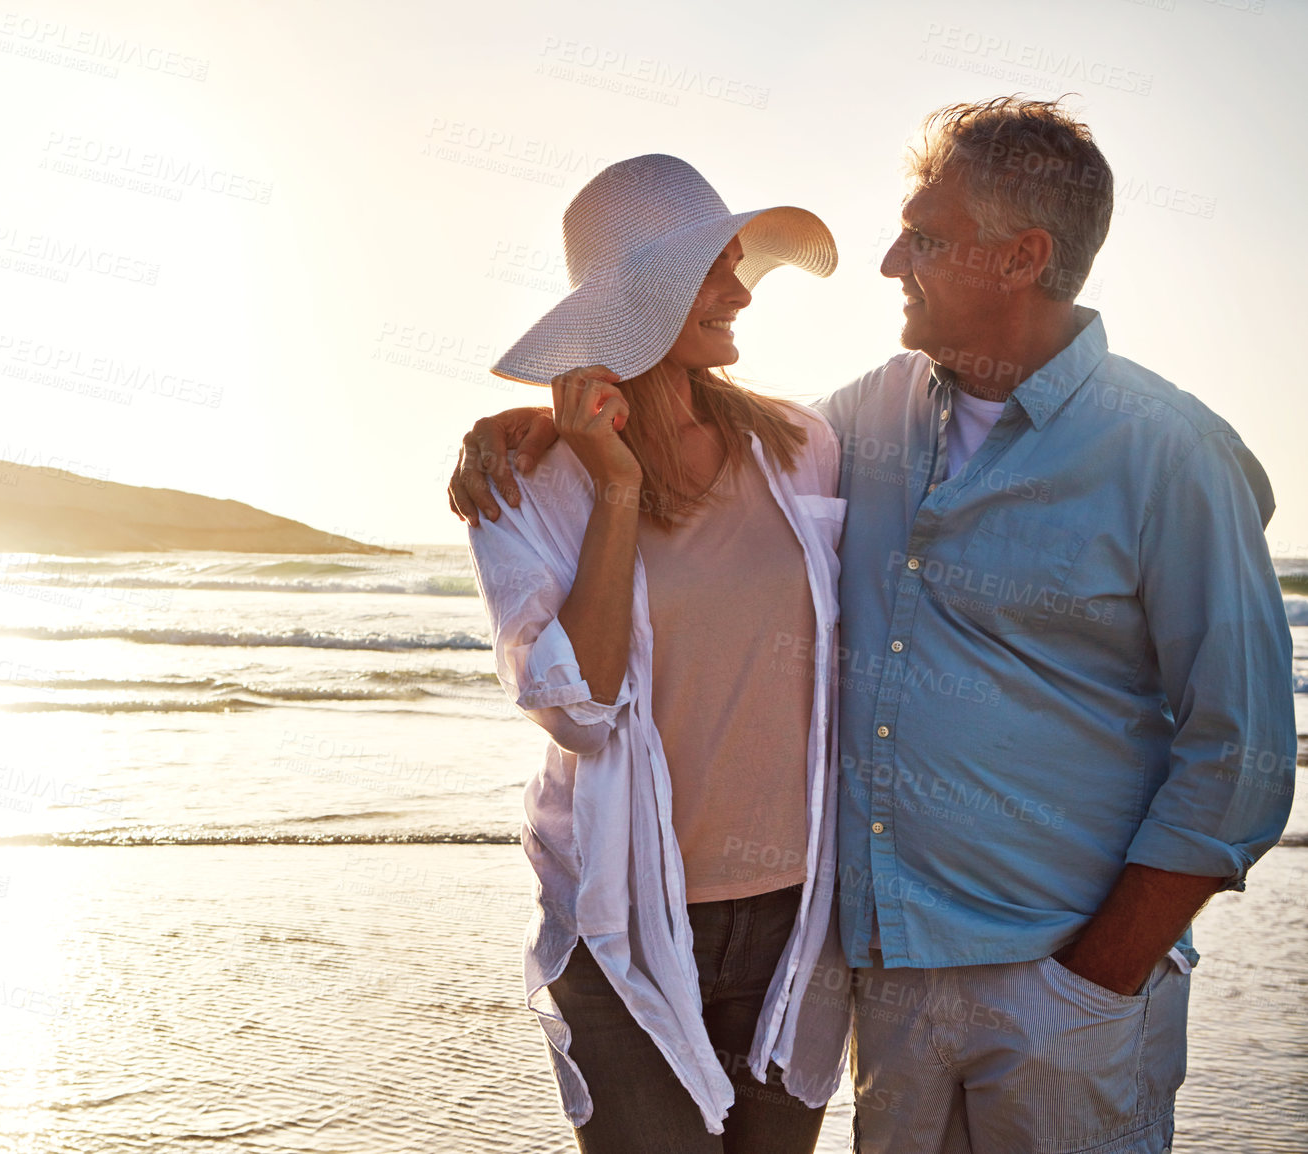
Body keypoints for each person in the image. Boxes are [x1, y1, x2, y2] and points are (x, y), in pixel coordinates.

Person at [449, 98, 1296, 1153]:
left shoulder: (1165, 452)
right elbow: (685, 470)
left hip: (1047, 978)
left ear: (1022, 256)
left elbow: (1245, 753)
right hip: (875, 976)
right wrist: (542, 424)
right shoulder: (869, 420)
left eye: (926, 237)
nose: (892, 259)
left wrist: (1096, 977)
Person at [462, 153, 854, 1152]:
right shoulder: (529, 487)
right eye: (712, 268)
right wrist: (616, 483)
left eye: (736, 260)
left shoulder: (804, 445)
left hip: (791, 923)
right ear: (639, 295)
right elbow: (579, 707)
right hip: (621, 918)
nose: (740, 290)